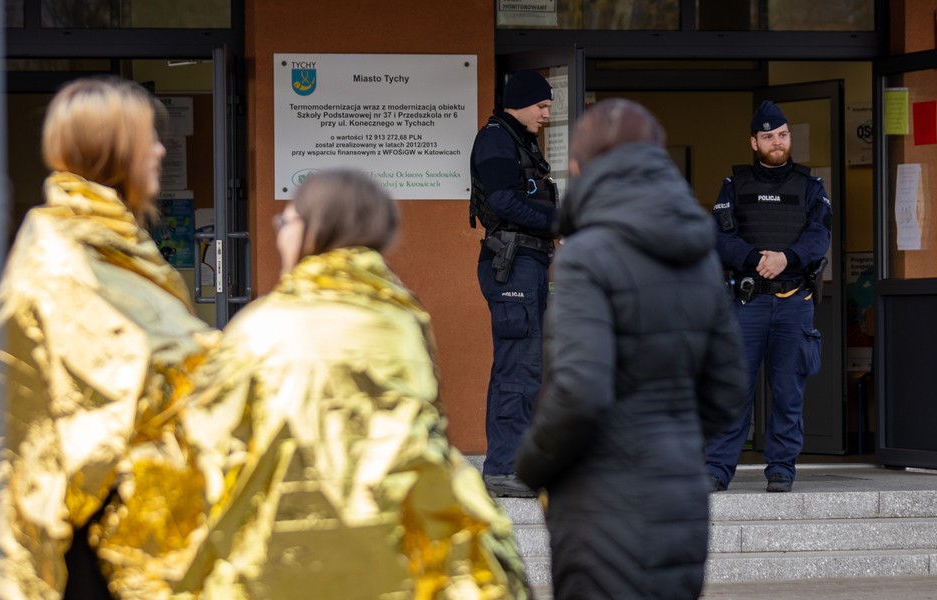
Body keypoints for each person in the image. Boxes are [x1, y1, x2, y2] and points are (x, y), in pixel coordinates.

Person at [175, 169, 533, 599]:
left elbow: (212, 440)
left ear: (315, 229)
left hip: (283, 550)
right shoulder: (402, 317)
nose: (280, 233)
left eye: (286, 221)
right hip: (388, 545)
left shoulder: (265, 324)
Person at [0, 76, 218, 599]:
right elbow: (115, 375)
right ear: (112, 149)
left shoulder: (113, 242)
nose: (161, 149)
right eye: (147, 138)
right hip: (85, 525)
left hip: (122, 506)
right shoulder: (64, 251)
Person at [515, 98, 747, 599]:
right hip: (680, 499)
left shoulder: (585, 258)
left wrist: (530, 465)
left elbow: (579, 392)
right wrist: (671, 437)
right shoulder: (701, 256)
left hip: (601, 504)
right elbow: (729, 388)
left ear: (580, 167)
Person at [706, 100, 833, 493]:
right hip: (747, 304)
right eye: (768, 137)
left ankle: (781, 468)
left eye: (782, 135)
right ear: (753, 142)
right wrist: (752, 258)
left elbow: (819, 236)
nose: (777, 142)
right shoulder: (734, 186)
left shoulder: (811, 187)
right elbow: (717, 236)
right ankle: (717, 470)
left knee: (788, 391)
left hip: (794, 300)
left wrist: (786, 258)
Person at [468, 69, 558, 498]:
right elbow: (503, 198)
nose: (547, 113)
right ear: (519, 102)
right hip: (513, 263)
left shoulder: (518, 140)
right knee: (516, 367)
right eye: (541, 105)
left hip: (528, 261)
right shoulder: (497, 139)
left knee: (527, 366)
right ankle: (504, 468)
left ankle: (516, 462)